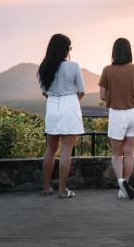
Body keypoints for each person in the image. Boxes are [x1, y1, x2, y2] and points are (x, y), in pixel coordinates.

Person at [99, 37, 134, 200]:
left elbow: (102, 96)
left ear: (114, 52)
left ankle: (121, 182)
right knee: (129, 153)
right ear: (129, 51)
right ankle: (125, 186)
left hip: (117, 114)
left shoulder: (107, 70)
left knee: (116, 154)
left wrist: (116, 100)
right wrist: (132, 101)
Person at [37, 34, 85, 199]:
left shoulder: (45, 66)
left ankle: (46, 187)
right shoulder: (73, 66)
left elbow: (44, 92)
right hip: (69, 104)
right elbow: (81, 91)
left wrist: (56, 98)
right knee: (66, 150)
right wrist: (71, 101)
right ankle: (63, 190)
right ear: (65, 49)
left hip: (52, 106)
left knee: (50, 149)